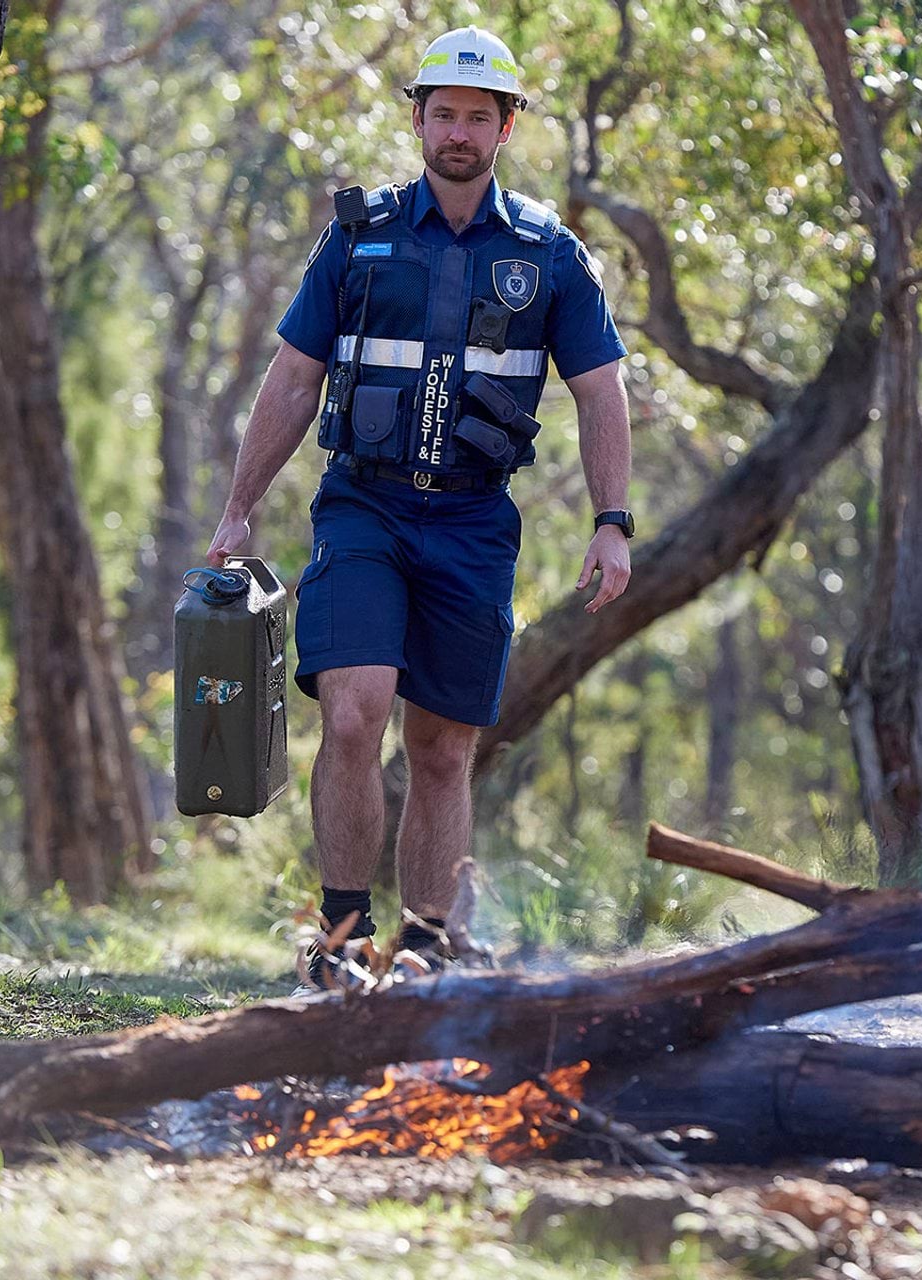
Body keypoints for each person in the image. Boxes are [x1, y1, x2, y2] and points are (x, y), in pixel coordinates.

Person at [206, 26, 635, 989]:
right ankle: (345, 934)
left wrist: (613, 520)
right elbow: (291, 380)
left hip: (476, 522)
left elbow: (602, 391)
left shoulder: (549, 255)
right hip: (363, 507)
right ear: (417, 118)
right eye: (443, 112)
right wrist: (238, 511)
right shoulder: (358, 238)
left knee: (443, 746)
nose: (458, 132)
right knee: (353, 716)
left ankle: (430, 944)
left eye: (479, 117)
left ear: (505, 129)